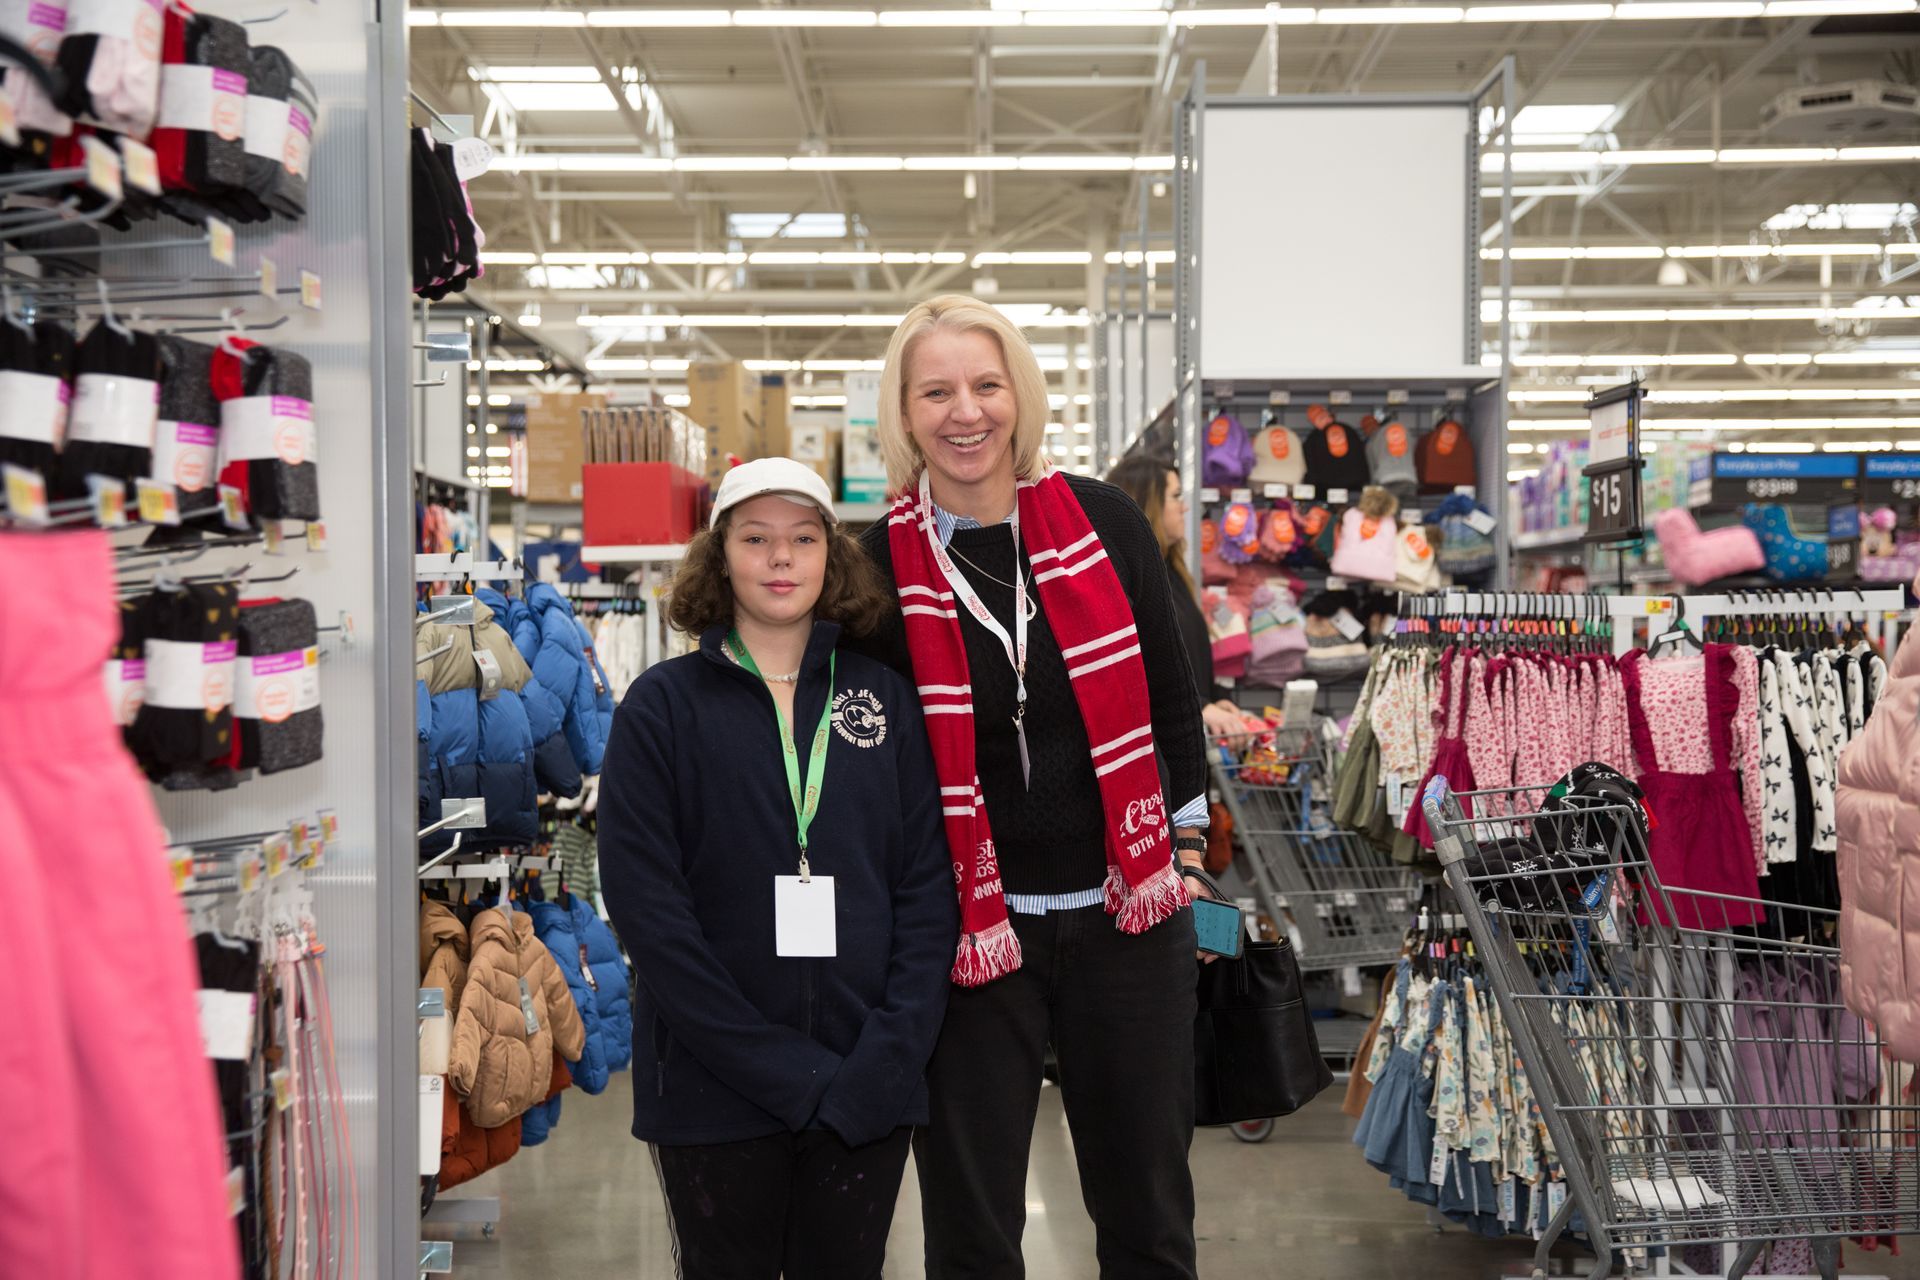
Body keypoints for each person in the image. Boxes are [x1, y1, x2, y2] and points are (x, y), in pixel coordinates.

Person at [849, 294, 1214, 1279]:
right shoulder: (874, 567)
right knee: (971, 1231)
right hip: (967, 938)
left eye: (986, 384)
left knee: (1148, 1215)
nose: (965, 412)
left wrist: (1184, 854)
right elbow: (864, 765)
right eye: (936, 392)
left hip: (1127, 919)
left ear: (1021, 395)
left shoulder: (1104, 523)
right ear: (905, 411)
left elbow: (1173, 701)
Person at [597, 457, 957, 1280]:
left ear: (833, 555)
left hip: (866, 1087)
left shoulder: (883, 700)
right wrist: (781, 1069)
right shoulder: (661, 707)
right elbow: (651, 914)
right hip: (713, 1089)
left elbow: (928, 893)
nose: (781, 558)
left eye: (803, 538)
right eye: (755, 539)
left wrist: (886, 1060)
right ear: (720, 557)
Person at [1106, 453, 1251, 739]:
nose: (1185, 507)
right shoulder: (1122, 581)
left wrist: (1213, 699)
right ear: (1148, 503)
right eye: (1175, 496)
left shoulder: (1171, 572)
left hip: (1184, 736)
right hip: (1157, 744)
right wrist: (1201, 706)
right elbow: (1130, 675)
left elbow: (1186, 659)